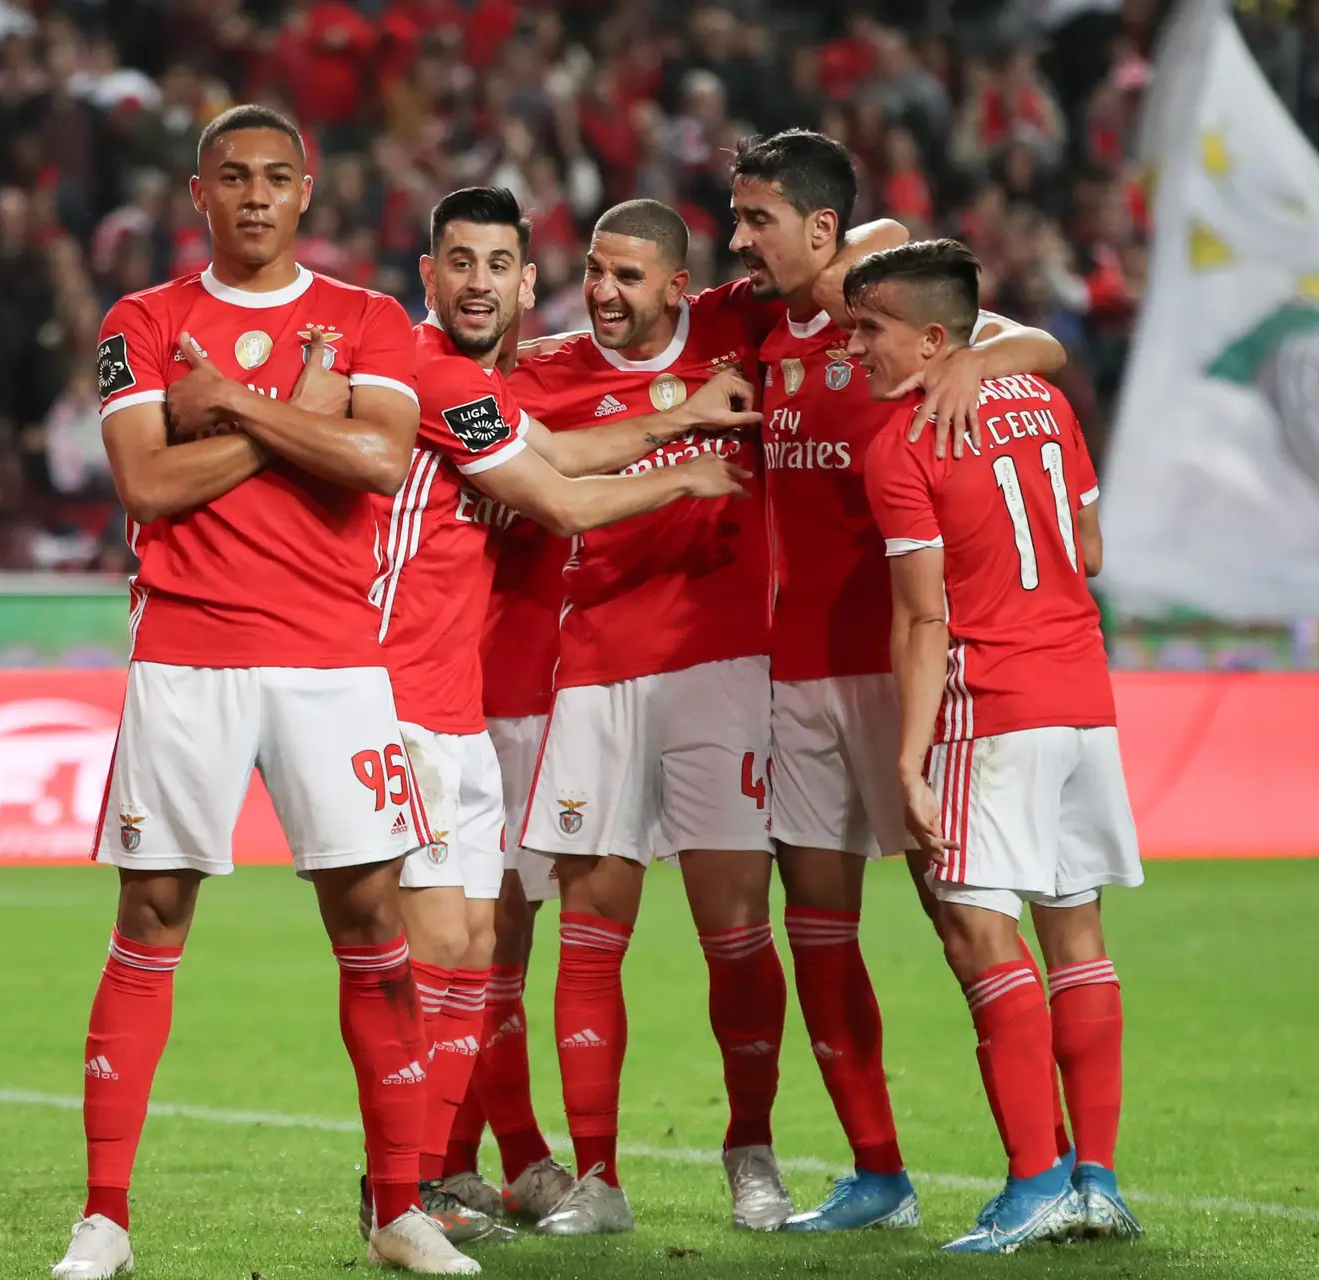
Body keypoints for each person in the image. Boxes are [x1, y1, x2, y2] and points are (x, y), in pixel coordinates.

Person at [56, 104, 455, 1278]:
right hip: (187, 652)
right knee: (150, 921)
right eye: (233, 178)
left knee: (373, 923)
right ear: (199, 192)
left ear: (307, 191)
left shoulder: (370, 318)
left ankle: (398, 1209)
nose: (255, 197)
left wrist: (227, 406)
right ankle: (107, 1218)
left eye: (276, 178)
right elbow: (148, 482)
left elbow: (380, 459)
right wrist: (294, 415)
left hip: (333, 660)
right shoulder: (142, 320)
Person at [506, 196, 904, 1236]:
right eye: (594, 269)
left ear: (678, 286)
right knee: (593, 935)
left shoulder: (741, 325)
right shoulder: (547, 369)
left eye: (628, 275)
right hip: (591, 674)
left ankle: (751, 1152)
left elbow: (880, 243)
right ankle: (599, 1176)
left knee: (736, 930)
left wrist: (980, 350)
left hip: (724, 672)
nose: (602, 291)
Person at [370, 185, 756, 1244]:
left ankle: (464, 1171)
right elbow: (570, 494)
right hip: (447, 696)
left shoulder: (497, 393)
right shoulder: (446, 378)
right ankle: (427, 1176)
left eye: (501, 264)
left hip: (518, 695)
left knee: (479, 945)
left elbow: (564, 457)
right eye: (462, 261)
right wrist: (686, 471)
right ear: (432, 272)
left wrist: (675, 418)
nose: (482, 281)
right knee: (460, 951)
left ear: (522, 280)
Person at [726, 129, 1068, 1233]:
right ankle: (878, 1172)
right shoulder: (759, 321)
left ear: (820, 227)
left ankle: (1043, 1167)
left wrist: (977, 359)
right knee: (816, 923)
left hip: (910, 670)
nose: (738, 242)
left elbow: (1044, 345)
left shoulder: (897, 295)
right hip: (798, 672)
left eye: (756, 220)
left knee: (961, 917)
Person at [854, 239, 1145, 1252]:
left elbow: (923, 619)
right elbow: (1093, 550)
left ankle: (1032, 1180)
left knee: (979, 930)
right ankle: (1097, 1179)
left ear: (935, 337)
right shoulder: (1051, 405)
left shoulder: (901, 444)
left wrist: (907, 759)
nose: (858, 351)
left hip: (998, 698)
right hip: (1085, 697)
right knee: (1077, 935)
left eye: (871, 331)